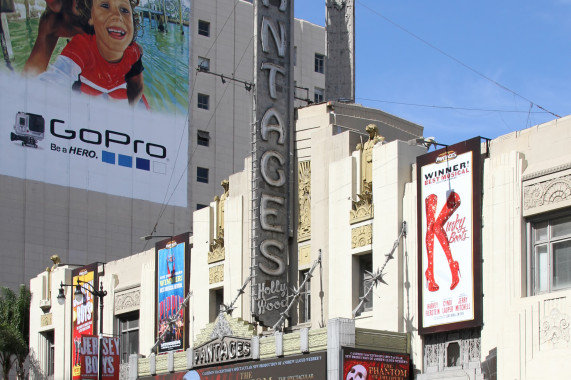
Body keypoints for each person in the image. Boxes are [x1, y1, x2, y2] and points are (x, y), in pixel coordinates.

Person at [29, 0, 148, 107]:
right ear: (90, 18)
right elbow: (57, 76)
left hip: (119, 95)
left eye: (124, 10)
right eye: (105, 6)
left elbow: (137, 86)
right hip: (88, 91)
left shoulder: (134, 52)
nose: (118, 16)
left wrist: (131, 109)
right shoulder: (81, 44)